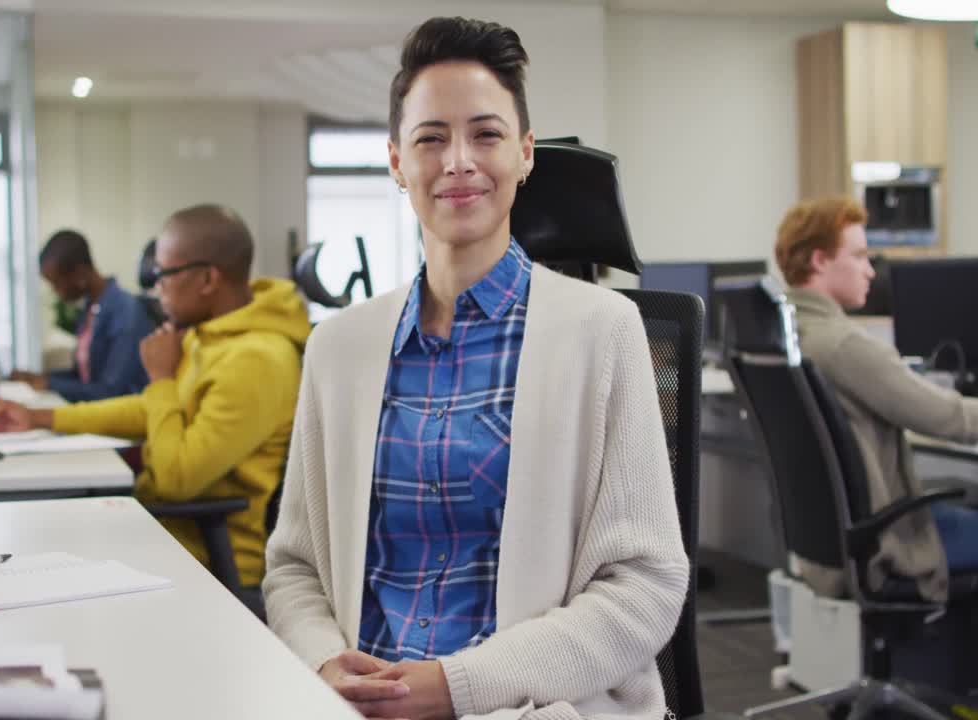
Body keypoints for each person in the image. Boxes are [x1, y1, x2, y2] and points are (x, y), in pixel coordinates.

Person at [263, 17, 687, 720]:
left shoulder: (604, 331)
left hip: (536, 707)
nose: (458, 159)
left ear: (524, 155)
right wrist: (323, 660)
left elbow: (644, 585)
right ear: (398, 162)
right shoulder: (338, 347)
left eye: (485, 135)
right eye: (430, 138)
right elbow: (296, 566)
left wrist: (455, 688)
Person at [774, 195, 978, 718]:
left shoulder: (789, 333)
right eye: (860, 256)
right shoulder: (841, 343)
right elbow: (951, 419)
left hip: (833, 540)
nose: (871, 269)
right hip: (887, 543)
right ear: (818, 260)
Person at [0, 205, 310, 593]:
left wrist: (160, 378)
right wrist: (38, 418)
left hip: (206, 563)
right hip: (166, 535)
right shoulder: (212, 336)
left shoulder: (257, 360)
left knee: (33, 559)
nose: (156, 288)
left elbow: (176, 479)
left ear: (207, 278)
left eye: (164, 274)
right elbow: (149, 410)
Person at [11, 229, 158, 402]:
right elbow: (84, 376)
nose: (56, 292)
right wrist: (39, 379)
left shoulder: (126, 312)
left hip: (120, 418)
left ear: (80, 273)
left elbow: (111, 392)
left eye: (57, 284)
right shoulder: (91, 308)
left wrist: (50, 384)